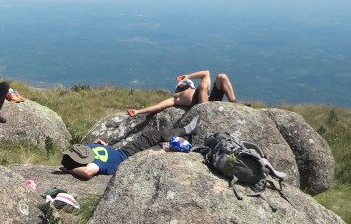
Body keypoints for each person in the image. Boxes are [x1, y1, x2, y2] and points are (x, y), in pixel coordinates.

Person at [61, 115, 199, 180]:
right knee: (163, 148)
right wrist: (70, 169)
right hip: (130, 160)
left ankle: (185, 130)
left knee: (150, 134)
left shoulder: (87, 151)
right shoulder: (94, 165)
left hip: (125, 150)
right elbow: (87, 172)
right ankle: (190, 146)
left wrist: (97, 145)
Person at [126, 70, 236, 117]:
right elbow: (158, 106)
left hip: (210, 100)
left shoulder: (198, 88)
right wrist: (138, 111)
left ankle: (233, 103)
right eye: (181, 84)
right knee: (203, 86)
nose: (182, 84)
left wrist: (188, 76)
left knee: (221, 76)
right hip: (198, 104)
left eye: (185, 83)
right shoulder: (176, 97)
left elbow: (206, 73)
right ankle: (205, 113)